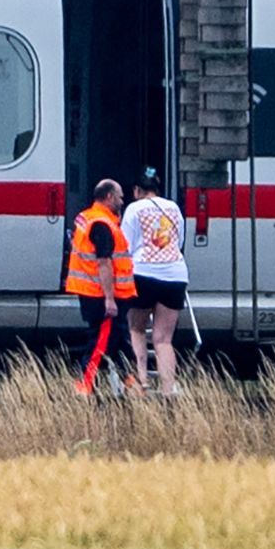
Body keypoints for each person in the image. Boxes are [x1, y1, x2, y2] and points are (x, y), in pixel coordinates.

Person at [64, 177, 136, 394]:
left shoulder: (88, 217)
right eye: (120, 197)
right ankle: (85, 385)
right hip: (101, 294)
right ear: (109, 197)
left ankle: (129, 378)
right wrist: (109, 299)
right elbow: (104, 263)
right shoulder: (102, 225)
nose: (122, 201)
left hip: (92, 291)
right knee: (100, 342)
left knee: (119, 337)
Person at [122, 168, 189, 395]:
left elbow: (126, 245)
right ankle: (168, 389)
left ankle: (141, 382)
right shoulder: (174, 208)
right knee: (164, 339)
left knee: (137, 328)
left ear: (137, 190)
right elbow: (179, 241)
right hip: (175, 275)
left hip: (144, 273)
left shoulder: (134, 209)